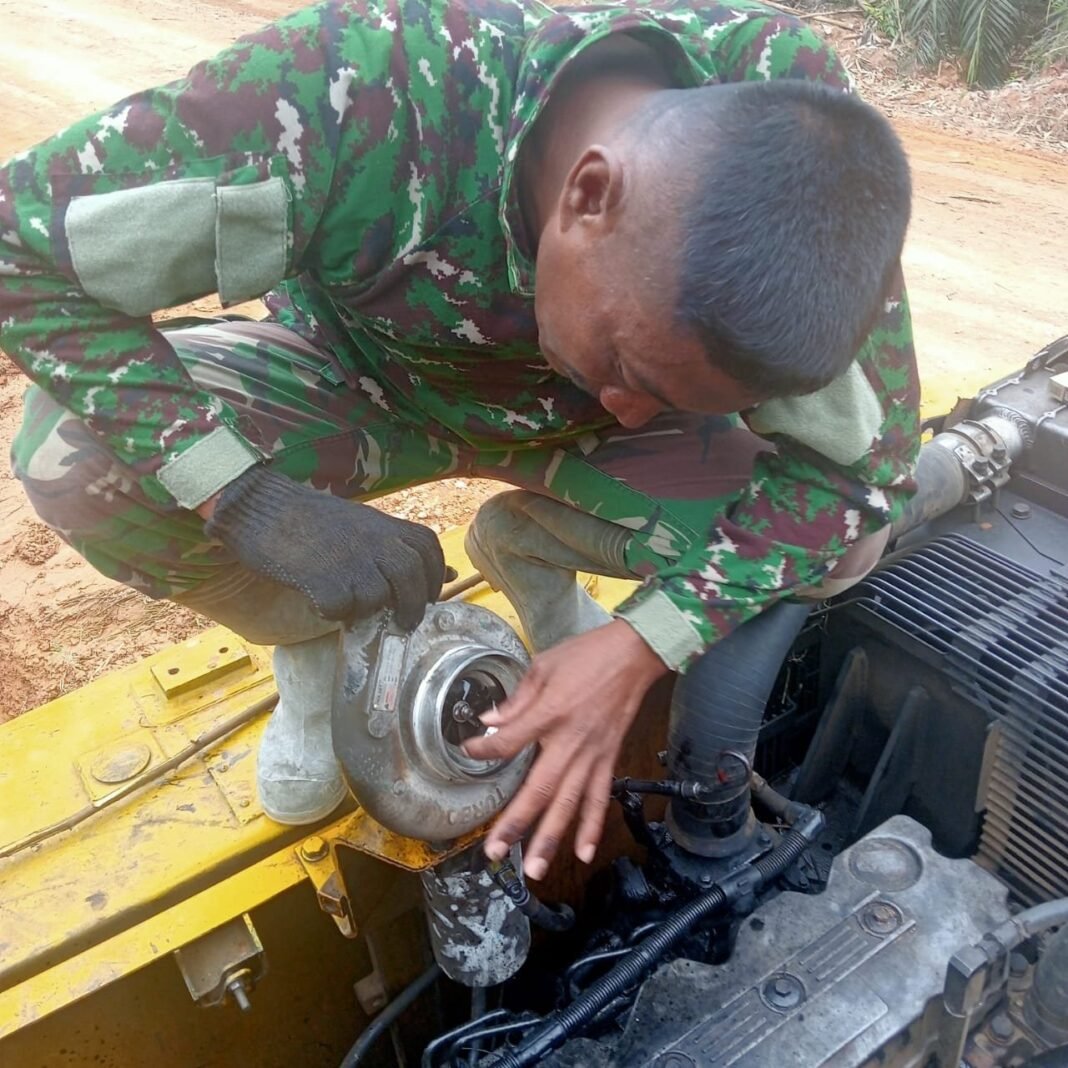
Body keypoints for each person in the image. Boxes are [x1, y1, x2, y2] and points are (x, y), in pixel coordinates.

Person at [0, 0, 917, 882]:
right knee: (76, 456)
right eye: (626, 361)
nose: (639, 407)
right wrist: (246, 499)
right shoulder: (361, 84)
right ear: (588, 195)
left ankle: (525, 548)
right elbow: (17, 248)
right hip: (359, 380)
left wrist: (644, 644)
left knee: (843, 547)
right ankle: (314, 634)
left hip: (572, 433)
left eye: (662, 389)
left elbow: (866, 471)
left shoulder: (802, 148)